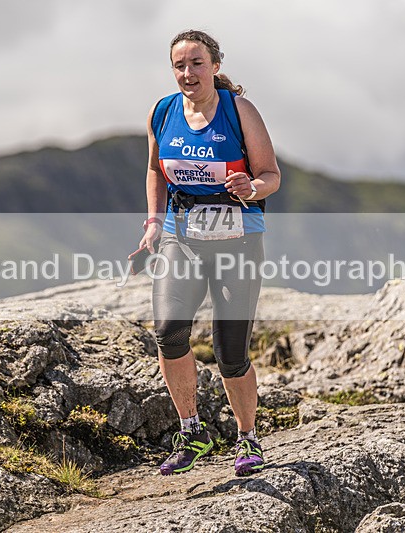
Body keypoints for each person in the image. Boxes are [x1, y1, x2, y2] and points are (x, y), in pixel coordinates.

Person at [139, 29, 281, 477]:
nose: (188, 73)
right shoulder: (162, 113)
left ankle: (248, 439)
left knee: (230, 351)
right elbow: (154, 171)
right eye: (179, 65)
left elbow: (271, 175)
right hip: (182, 236)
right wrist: (154, 223)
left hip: (238, 238)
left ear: (215, 66)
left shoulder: (239, 112)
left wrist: (250, 187)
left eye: (196, 63)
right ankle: (192, 431)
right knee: (167, 330)